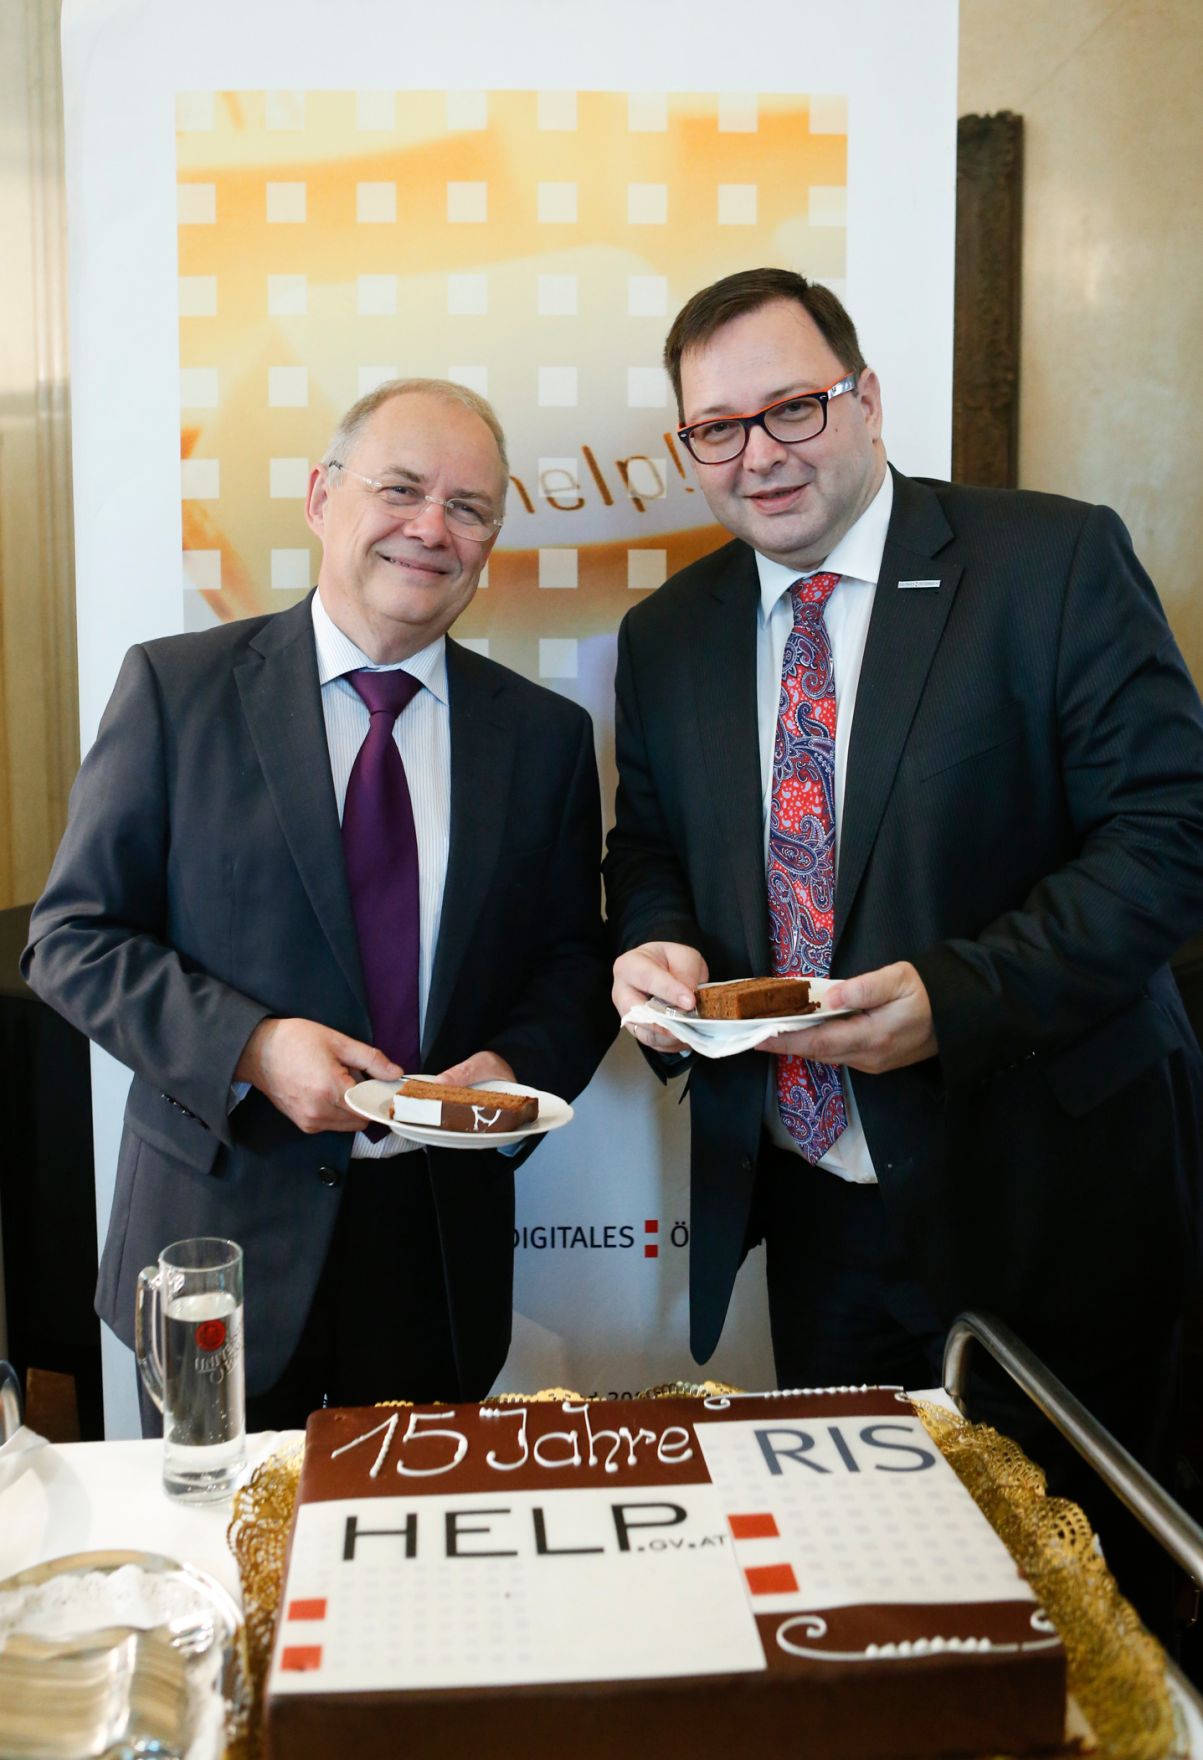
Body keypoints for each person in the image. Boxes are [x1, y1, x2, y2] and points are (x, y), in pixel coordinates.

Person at [604, 267, 1203, 1627]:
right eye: (716, 427)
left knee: (1086, 1603)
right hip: (816, 1199)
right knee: (872, 1595)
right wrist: (652, 949)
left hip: (1046, 1192)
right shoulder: (669, 636)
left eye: (792, 407)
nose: (755, 453)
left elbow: (1168, 838)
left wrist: (955, 996)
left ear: (866, 399)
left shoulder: (1047, 563)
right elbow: (649, 851)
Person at [24, 377, 614, 1427]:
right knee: (223, 1567)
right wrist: (251, 1047)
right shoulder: (176, 689)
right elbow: (71, 938)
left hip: (434, 1256)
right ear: (320, 498)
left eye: (469, 507)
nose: (431, 527)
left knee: (421, 1575)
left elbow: (574, 961)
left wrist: (514, 1070)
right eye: (401, 488)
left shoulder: (545, 739)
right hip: (219, 1247)